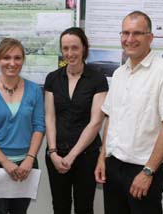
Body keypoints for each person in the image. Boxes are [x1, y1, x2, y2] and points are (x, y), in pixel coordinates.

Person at [94, 11, 163, 214]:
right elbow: (111, 118)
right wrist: (102, 157)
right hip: (113, 166)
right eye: (125, 33)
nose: (129, 39)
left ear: (150, 37)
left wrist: (148, 171)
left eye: (137, 33)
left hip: (142, 170)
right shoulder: (119, 73)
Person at [0, 38, 45, 214]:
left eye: (17, 58)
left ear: (23, 60)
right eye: (6, 58)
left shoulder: (35, 90)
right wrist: (5, 162)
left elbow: (39, 126)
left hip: (26, 165)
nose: (12, 63)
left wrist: (29, 159)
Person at [44, 27, 108, 214]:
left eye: (75, 48)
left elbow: (96, 122)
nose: (70, 53)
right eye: (65, 48)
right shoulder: (53, 78)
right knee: (60, 206)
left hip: (86, 156)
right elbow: (50, 116)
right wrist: (53, 152)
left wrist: (72, 156)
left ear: (84, 49)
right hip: (56, 155)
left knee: (84, 207)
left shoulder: (97, 79)